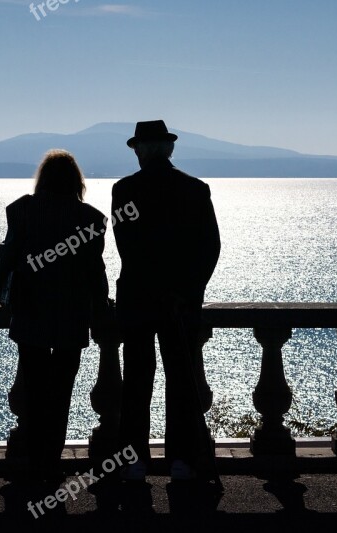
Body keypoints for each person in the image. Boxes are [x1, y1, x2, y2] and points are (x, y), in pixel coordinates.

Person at [0, 149, 110, 481]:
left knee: (36, 390)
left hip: (31, 313)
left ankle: (36, 461)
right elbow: (95, 271)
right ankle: (51, 461)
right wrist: (102, 307)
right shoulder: (92, 220)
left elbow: (8, 257)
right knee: (62, 393)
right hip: (71, 315)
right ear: (76, 182)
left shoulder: (22, 210)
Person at [113, 120, 221, 481]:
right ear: (169, 148)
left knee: (137, 381)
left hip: (138, 300)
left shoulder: (124, 189)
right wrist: (187, 292)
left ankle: (134, 460)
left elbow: (126, 246)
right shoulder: (195, 189)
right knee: (181, 380)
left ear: (139, 149)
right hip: (182, 304)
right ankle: (181, 459)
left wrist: (154, 286)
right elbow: (209, 248)